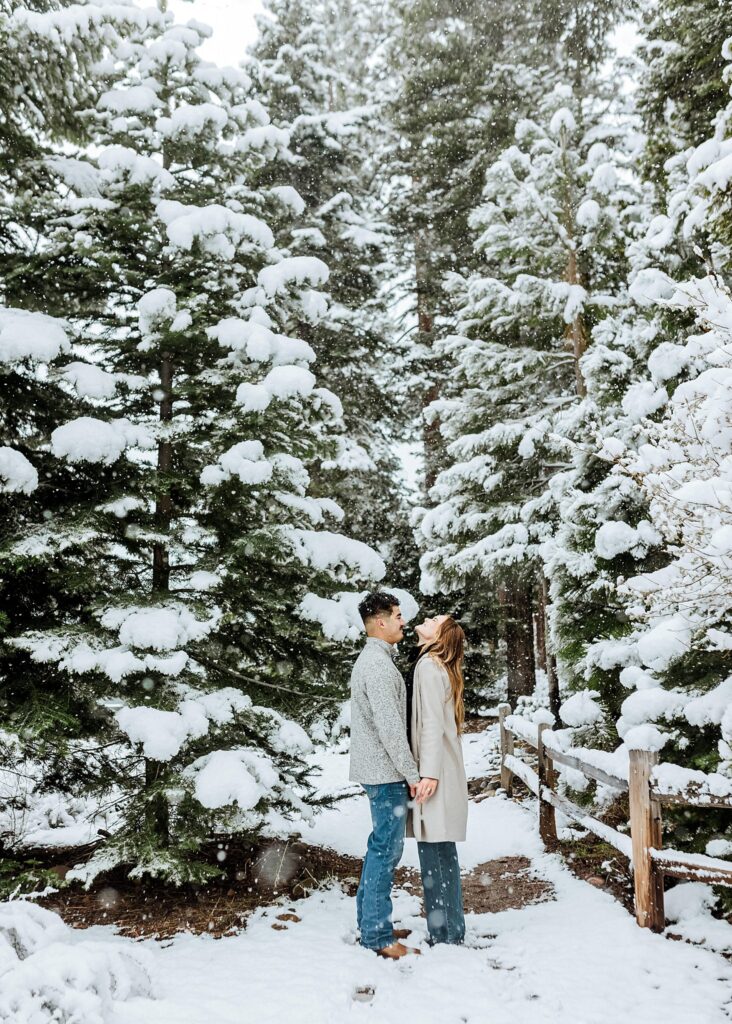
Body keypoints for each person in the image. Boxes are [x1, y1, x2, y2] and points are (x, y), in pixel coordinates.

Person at [349, 591, 423, 960]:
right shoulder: (377, 666)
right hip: (385, 772)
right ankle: (378, 936)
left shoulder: (377, 660)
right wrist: (412, 773)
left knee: (380, 848)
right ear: (380, 621)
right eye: (397, 615)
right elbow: (390, 728)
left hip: (380, 770)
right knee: (385, 851)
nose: (402, 621)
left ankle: (370, 922)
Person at [407, 614, 468, 946]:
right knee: (442, 851)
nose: (427, 618)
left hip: (436, 772)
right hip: (442, 768)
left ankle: (445, 935)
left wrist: (427, 773)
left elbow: (430, 722)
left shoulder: (429, 666)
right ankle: (451, 930)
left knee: (434, 853)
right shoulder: (434, 665)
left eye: (435, 620)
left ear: (440, 637)